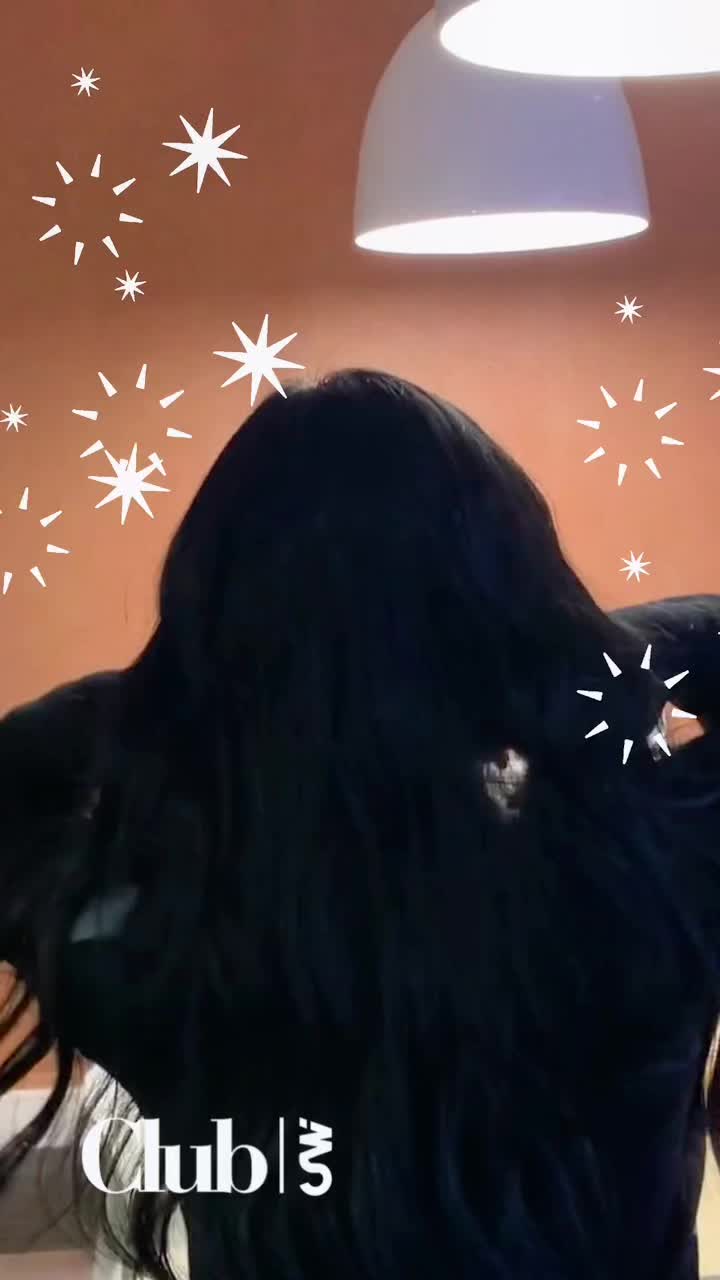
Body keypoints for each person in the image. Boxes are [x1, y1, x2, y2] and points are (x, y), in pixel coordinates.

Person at [0, 369, 719, 1280]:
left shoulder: (151, 956)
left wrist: (207, 685)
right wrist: (560, 655)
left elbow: (19, 769)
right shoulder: (656, 879)